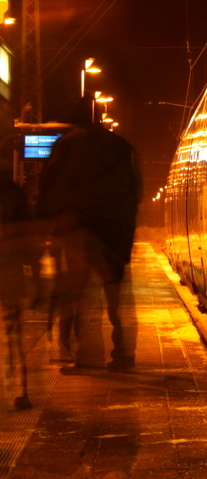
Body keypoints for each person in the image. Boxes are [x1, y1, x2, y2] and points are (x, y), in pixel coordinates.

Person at [37, 97, 141, 372]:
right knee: (117, 298)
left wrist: (48, 222)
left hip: (79, 230)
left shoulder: (69, 144)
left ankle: (89, 357)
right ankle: (124, 354)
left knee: (83, 296)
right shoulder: (121, 146)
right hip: (117, 233)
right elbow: (134, 190)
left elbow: (51, 185)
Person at [0, 165, 37, 407]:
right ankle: (19, 392)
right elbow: (28, 232)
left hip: (10, 267)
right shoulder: (14, 192)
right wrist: (33, 269)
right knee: (14, 333)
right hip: (10, 268)